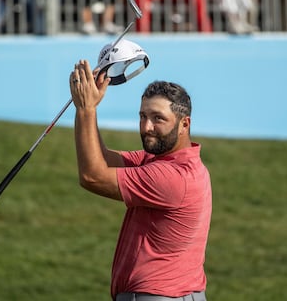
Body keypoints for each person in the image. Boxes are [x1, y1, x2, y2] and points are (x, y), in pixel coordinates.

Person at [69, 60, 212, 301]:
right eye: (143, 116)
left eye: (158, 118)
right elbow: (102, 159)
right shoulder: (162, 161)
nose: (146, 127)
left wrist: (86, 109)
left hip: (156, 295)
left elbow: (92, 176)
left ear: (184, 124)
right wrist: (86, 106)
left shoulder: (172, 177)